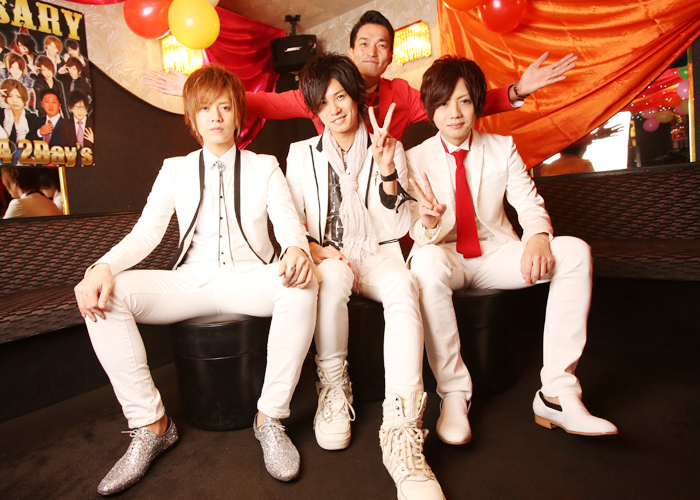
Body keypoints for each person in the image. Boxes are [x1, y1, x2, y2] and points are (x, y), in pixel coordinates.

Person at [73, 64, 318, 496]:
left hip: (250, 277)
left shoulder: (264, 166)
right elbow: (146, 233)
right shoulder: (174, 170)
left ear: (239, 115)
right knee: (108, 294)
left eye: (225, 107)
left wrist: (296, 248)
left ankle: (270, 418)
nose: (216, 116)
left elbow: (286, 221)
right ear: (191, 117)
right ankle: (151, 425)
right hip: (191, 281)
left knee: (303, 284)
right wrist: (101, 266)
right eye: (205, 108)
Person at [405, 56, 617, 445]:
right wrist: (430, 223)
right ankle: (453, 394)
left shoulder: (502, 147)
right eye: (444, 103)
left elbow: (528, 203)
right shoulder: (413, 158)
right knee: (425, 263)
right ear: (430, 108)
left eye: (464, 101)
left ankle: (556, 394)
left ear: (478, 104)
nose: (455, 113)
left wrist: (538, 235)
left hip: (495, 254)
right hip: (445, 255)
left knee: (574, 251)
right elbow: (416, 230)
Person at [286, 53, 443, 499]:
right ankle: (334, 390)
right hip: (329, 255)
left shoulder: (387, 145)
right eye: (323, 103)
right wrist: (316, 250)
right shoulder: (301, 154)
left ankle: (401, 430)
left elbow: (400, 222)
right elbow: (290, 219)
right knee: (333, 278)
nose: (334, 109)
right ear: (315, 110)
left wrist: (388, 169)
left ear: (356, 96)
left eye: (340, 96)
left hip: (376, 253)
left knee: (404, 286)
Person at [146, 10, 576, 141]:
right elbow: (259, 102)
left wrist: (518, 90)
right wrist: (198, 90)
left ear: (390, 58)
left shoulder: (403, 94)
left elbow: (456, 106)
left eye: (382, 45)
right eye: (365, 43)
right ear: (352, 51)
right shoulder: (319, 91)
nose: (373, 51)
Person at [0, 78, 42, 143]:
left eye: (18, 97)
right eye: (10, 96)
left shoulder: (32, 118)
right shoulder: (1, 114)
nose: (15, 101)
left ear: (24, 97)